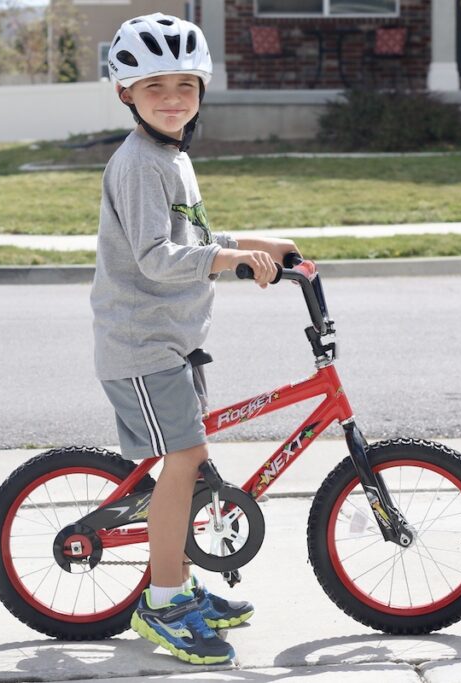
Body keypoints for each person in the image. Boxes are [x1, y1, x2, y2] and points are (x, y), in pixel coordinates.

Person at [91, 13, 299, 666]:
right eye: (155, 87)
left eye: (185, 84)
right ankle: (162, 603)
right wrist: (229, 260)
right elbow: (157, 257)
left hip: (173, 341)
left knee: (192, 466)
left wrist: (260, 244)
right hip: (141, 344)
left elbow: (193, 238)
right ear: (126, 93)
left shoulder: (172, 157)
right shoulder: (138, 163)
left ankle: (178, 586)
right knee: (184, 460)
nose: (173, 98)